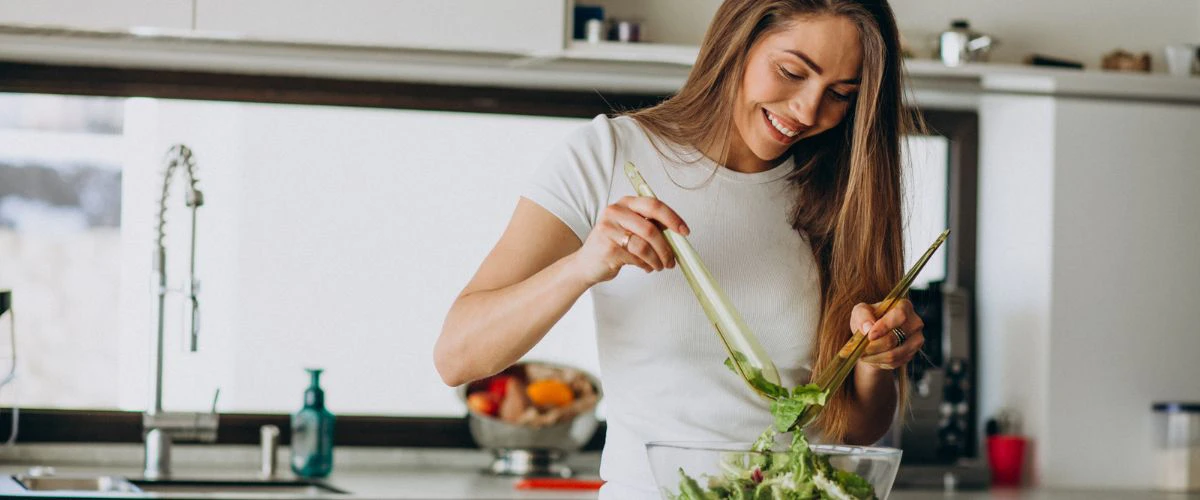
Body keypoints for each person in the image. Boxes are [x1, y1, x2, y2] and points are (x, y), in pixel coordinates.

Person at [435, 0, 925, 497]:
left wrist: (873, 360)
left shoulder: (843, 193)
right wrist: (583, 265)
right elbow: (459, 355)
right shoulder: (608, 156)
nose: (808, 111)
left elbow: (858, 428)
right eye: (791, 71)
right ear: (738, 40)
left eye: (840, 95)